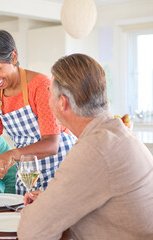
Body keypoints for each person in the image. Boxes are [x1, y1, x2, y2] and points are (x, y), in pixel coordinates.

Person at [18, 54, 153, 239]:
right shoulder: (117, 133)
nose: (47, 99)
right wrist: (51, 203)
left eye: (49, 91)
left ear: (62, 102)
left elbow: (32, 232)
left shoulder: (94, 149)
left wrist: (40, 212)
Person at [0, 30, 76, 195]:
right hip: (28, 172)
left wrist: (12, 154)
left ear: (13, 57)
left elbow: (51, 144)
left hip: (60, 167)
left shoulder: (40, 86)